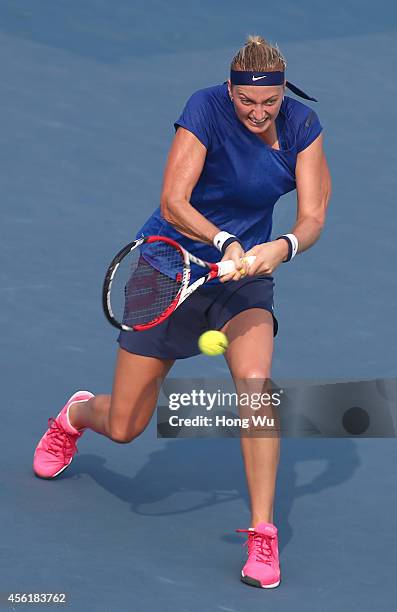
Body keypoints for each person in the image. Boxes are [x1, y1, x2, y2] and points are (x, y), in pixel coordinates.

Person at [33, 35, 331, 589]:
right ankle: (75, 416)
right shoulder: (204, 107)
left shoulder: (302, 127)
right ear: (231, 89)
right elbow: (174, 199)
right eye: (247, 101)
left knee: (256, 384)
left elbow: (313, 215)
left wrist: (281, 247)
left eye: (269, 103)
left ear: (283, 93)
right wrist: (224, 241)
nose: (258, 113)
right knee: (124, 425)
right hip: (170, 272)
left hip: (242, 283)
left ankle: (262, 533)